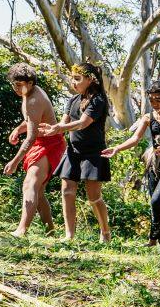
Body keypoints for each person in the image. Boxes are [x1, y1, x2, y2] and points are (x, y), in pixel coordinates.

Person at [103, 79, 160, 249]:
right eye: (152, 100)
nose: (154, 103)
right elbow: (135, 138)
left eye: (159, 100)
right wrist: (117, 148)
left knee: (156, 200)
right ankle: (159, 243)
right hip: (154, 162)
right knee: (154, 202)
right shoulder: (148, 117)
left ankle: (155, 240)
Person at [44, 63, 113, 242]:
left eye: (77, 79)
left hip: (94, 153)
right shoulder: (73, 100)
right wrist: (53, 128)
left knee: (94, 197)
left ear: (90, 79)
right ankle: (69, 235)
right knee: (67, 191)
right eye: (72, 78)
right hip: (73, 151)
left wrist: (60, 128)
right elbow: (64, 122)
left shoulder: (98, 100)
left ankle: (105, 232)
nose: (73, 82)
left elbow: (82, 123)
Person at [3, 65, 61, 237]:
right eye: (14, 84)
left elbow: (31, 137)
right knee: (39, 191)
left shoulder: (34, 100)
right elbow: (30, 120)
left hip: (49, 144)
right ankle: (50, 230)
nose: (16, 88)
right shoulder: (29, 93)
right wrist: (17, 129)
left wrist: (14, 161)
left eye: (19, 84)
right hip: (43, 142)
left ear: (29, 83)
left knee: (30, 184)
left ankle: (22, 230)